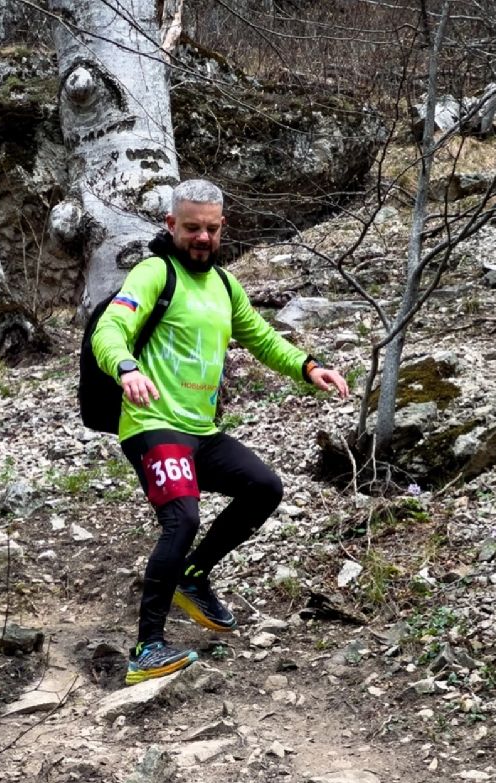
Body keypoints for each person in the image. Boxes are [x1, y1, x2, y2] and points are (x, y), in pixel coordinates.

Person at [92, 179, 349, 685]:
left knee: (264, 486)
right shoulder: (153, 273)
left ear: (222, 227)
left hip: (200, 432)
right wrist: (126, 368)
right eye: (192, 228)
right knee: (181, 519)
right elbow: (110, 329)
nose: (202, 238)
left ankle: (192, 575)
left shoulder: (225, 286)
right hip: (152, 424)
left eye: (211, 229)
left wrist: (307, 366)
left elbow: (260, 336)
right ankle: (146, 648)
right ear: (171, 226)